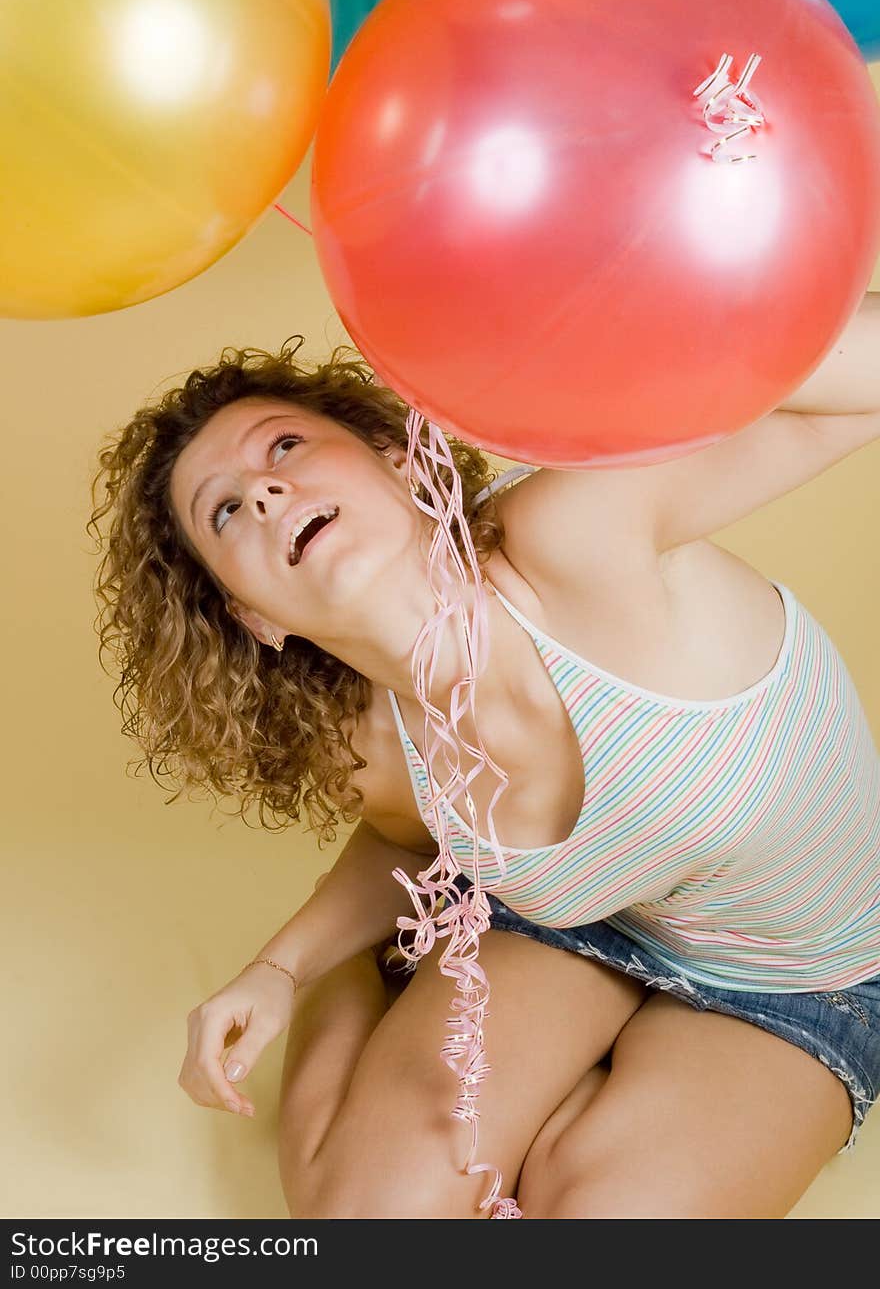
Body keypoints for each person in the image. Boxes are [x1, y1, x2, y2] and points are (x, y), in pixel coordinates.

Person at [89, 334, 880, 1218]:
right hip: (573, 928)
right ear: (253, 616)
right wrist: (282, 969)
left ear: (397, 460)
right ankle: (392, 1006)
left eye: (285, 447)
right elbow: (404, 840)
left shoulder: (573, 536)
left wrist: (631, 335)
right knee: (368, 1229)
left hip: (804, 983)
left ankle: (565, 1107)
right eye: (225, 512)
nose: (265, 491)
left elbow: (861, 380)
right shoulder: (370, 741)